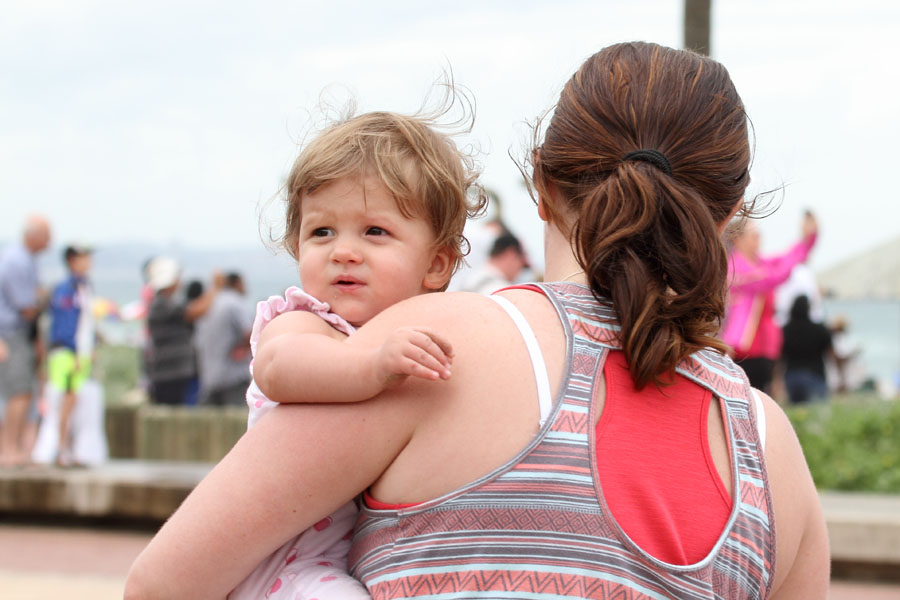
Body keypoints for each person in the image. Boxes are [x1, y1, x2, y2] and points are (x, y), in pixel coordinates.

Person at [126, 42, 830, 599]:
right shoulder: (770, 452)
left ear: (543, 185)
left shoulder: (434, 349)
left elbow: (163, 586)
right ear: (729, 215)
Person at [230, 109, 483, 599]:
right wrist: (372, 364)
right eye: (321, 232)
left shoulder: (418, 336)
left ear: (435, 263)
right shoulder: (308, 321)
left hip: (343, 556)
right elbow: (279, 369)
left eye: (374, 232)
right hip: (280, 561)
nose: (343, 251)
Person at [722, 212, 818, 393]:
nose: (759, 240)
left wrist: (808, 239)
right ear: (737, 239)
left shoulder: (758, 263)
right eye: (754, 236)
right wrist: (805, 244)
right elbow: (776, 275)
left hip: (762, 347)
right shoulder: (735, 268)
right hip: (744, 349)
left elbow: (786, 258)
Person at [0, 215, 51, 466]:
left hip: (19, 335)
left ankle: (13, 448)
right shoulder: (16, 261)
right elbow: (27, 307)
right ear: (34, 235)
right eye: (47, 234)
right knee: (17, 393)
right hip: (12, 335)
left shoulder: (22, 259)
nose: (50, 241)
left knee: (21, 393)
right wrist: (44, 299)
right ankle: (7, 450)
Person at [45, 245, 96, 464]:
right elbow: (66, 323)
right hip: (68, 353)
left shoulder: (83, 286)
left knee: (74, 402)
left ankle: (69, 450)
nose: (89, 261)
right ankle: (61, 450)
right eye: (84, 257)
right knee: (66, 401)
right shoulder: (67, 288)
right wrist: (74, 352)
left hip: (78, 352)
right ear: (72, 261)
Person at [145, 258, 221, 405]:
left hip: (171, 371)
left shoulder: (164, 302)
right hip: (170, 373)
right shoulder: (162, 304)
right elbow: (196, 311)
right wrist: (215, 288)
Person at [194, 272, 253, 407]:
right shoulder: (236, 303)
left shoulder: (206, 303)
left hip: (208, 376)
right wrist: (244, 347)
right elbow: (250, 331)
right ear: (237, 284)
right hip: (234, 376)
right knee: (237, 424)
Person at [781, 295, 834, 404]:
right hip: (815, 375)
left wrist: (776, 381)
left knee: (794, 415)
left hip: (792, 376)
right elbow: (831, 354)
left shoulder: (785, 330)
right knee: (817, 414)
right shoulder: (820, 329)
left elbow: (779, 358)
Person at [461, 231, 530, 295]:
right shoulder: (502, 291)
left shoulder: (472, 279)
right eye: (523, 266)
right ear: (510, 254)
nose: (520, 272)